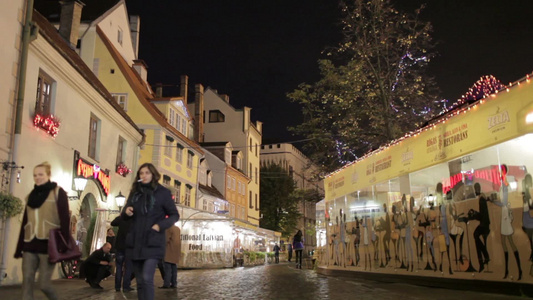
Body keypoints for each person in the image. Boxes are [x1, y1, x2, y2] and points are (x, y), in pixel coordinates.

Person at [122, 163, 180, 300]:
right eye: (141, 173)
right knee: (140, 281)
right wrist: (126, 212)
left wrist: (159, 226)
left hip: (152, 241)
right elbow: (123, 216)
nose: (144, 175)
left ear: (153, 175)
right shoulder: (135, 192)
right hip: (135, 242)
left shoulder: (162, 193)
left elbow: (174, 215)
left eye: (147, 173)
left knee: (147, 277)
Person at [14, 162, 70, 300]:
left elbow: (65, 219)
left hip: (48, 245)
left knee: (44, 284)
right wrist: (19, 247)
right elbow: (25, 223)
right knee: (26, 281)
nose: (37, 177)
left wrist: (64, 244)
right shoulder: (31, 196)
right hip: (30, 244)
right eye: (35, 175)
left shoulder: (58, 192)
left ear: (48, 175)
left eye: (41, 174)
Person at [110, 215, 134, 292]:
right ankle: (126, 286)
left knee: (119, 268)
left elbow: (113, 223)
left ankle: (117, 286)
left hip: (120, 246)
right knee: (128, 268)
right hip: (129, 247)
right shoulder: (135, 219)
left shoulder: (122, 218)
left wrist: (122, 215)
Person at [160, 224, 181, 289]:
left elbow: (166, 240)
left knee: (167, 269)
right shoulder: (177, 229)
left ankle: (166, 284)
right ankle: (174, 283)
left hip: (169, 251)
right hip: (175, 251)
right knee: (174, 268)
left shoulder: (168, 228)